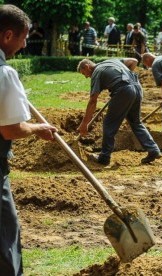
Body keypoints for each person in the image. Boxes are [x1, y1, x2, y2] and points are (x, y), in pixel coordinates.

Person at [0, 5, 58, 275]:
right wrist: (37, 128)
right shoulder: (5, 74)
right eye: (24, 38)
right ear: (7, 35)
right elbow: (10, 130)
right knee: (5, 237)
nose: (24, 45)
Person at [77, 58, 162, 165]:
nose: (86, 76)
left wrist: (84, 123)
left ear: (87, 66)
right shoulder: (112, 61)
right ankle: (153, 149)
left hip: (124, 90)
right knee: (136, 122)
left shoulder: (96, 72)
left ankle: (104, 157)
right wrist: (124, 79)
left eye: (84, 73)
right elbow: (133, 61)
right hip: (137, 87)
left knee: (109, 124)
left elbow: (93, 100)